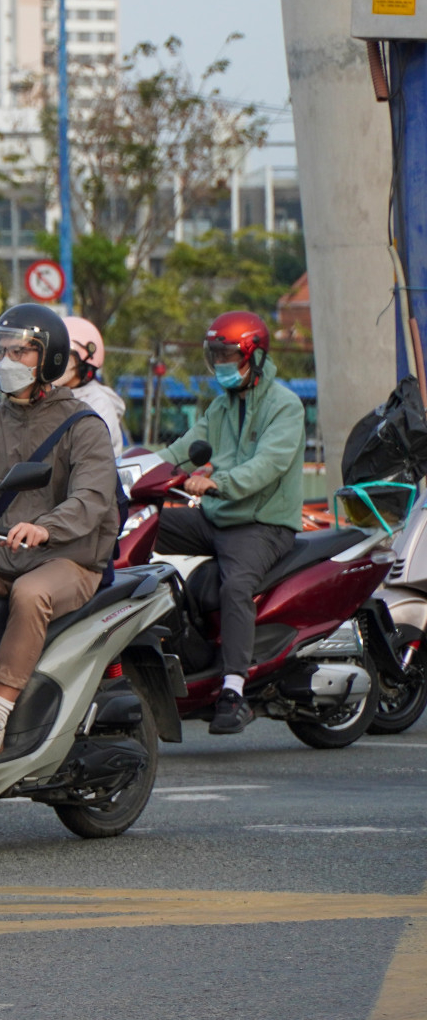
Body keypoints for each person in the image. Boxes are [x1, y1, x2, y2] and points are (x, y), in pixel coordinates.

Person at [0, 304, 120, 763]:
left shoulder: (84, 425)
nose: (8, 360)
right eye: (3, 350)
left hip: (69, 558)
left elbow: (92, 498)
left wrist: (45, 528)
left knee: (31, 595)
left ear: (50, 359)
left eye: (22, 351)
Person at [153, 311, 305, 734]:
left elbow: (267, 465)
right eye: (214, 354)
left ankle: (234, 689)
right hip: (216, 519)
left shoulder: (285, 406)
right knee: (144, 524)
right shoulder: (221, 407)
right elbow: (182, 450)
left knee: (235, 586)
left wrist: (216, 483)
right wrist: (130, 473)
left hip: (262, 524)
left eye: (227, 355)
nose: (220, 363)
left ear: (253, 356)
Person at [60, 316, 128, 455]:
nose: (57, 362)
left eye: (66, 356)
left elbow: (87, 455)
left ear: (87, 359)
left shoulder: (98, 403)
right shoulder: (54, 396)